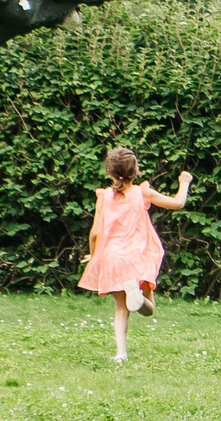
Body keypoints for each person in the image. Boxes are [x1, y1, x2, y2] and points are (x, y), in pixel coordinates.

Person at [77, 147, 192, 363]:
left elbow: (95, 233)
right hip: (137, 256)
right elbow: (178, 203)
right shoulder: (142, 193)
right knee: (149, 309)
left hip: (112, 257)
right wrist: (184, 181)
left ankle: (121, 353)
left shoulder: (103, 197)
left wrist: (94, 256)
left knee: (121, 309)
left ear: (110, 172)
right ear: (135, 170)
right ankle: (137, 298)